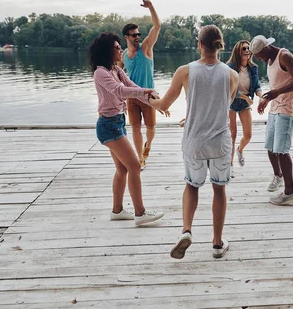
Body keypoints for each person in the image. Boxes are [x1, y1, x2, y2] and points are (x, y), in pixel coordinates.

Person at [149, 25, 238, 259]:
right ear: (219, 45)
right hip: (220, 143)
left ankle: (186, 230)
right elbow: (221, 106)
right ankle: (217, 244)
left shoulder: (185, 71)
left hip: (194, 142)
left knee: (192, 186)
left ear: (199, 44)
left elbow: (164, 104)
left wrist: (150, 100)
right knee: (219, 189)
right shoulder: (232, 75)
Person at [89, 32, 165, 225]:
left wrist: (156, 103)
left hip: (118, 123)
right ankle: (140, 213)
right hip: (108, 126)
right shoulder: (101, 73)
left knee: (122, 169)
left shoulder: (115, 69)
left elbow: (132, 86)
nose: (120, 50)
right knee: (134, 166)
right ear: (107, 51)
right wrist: (146, 90)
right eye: (116, 47)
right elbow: (120, 91)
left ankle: (117, 210)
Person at [250, 35, 293, 206]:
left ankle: (290, 192)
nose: (258, 59)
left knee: (282, 151)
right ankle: (278, 176)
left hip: (287, 109)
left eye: (258, 55)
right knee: (270, 147)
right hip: (275, 108)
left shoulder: (285, 56)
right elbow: (277, 85)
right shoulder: (270, 60)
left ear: (266, 48)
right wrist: (266, 100)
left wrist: (277, 93)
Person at [122, 0, 161, 170]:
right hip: (132, 97)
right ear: (126, 37)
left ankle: (149, 145)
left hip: (148, 96)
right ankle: (140, 158)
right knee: (135, 128)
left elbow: (157, 26)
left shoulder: (146, 48)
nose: (138, 36)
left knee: (151, 129)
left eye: (139, 34)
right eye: (134, 35)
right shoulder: (123, 55)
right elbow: (118, 74)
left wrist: (151, 8)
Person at [226, 40, 263, 166]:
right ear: (238, 51)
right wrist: (246, 98)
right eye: (244, 49)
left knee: (248, 135)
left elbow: (257, 86)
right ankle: (229, 163)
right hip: (231, 102)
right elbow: (229, 89)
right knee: (232, 135)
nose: (247, 51)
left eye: (248, 48)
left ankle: (239, 150)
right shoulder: (230, 68)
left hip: (245, 104)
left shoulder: (253, 68)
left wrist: (261, 96)